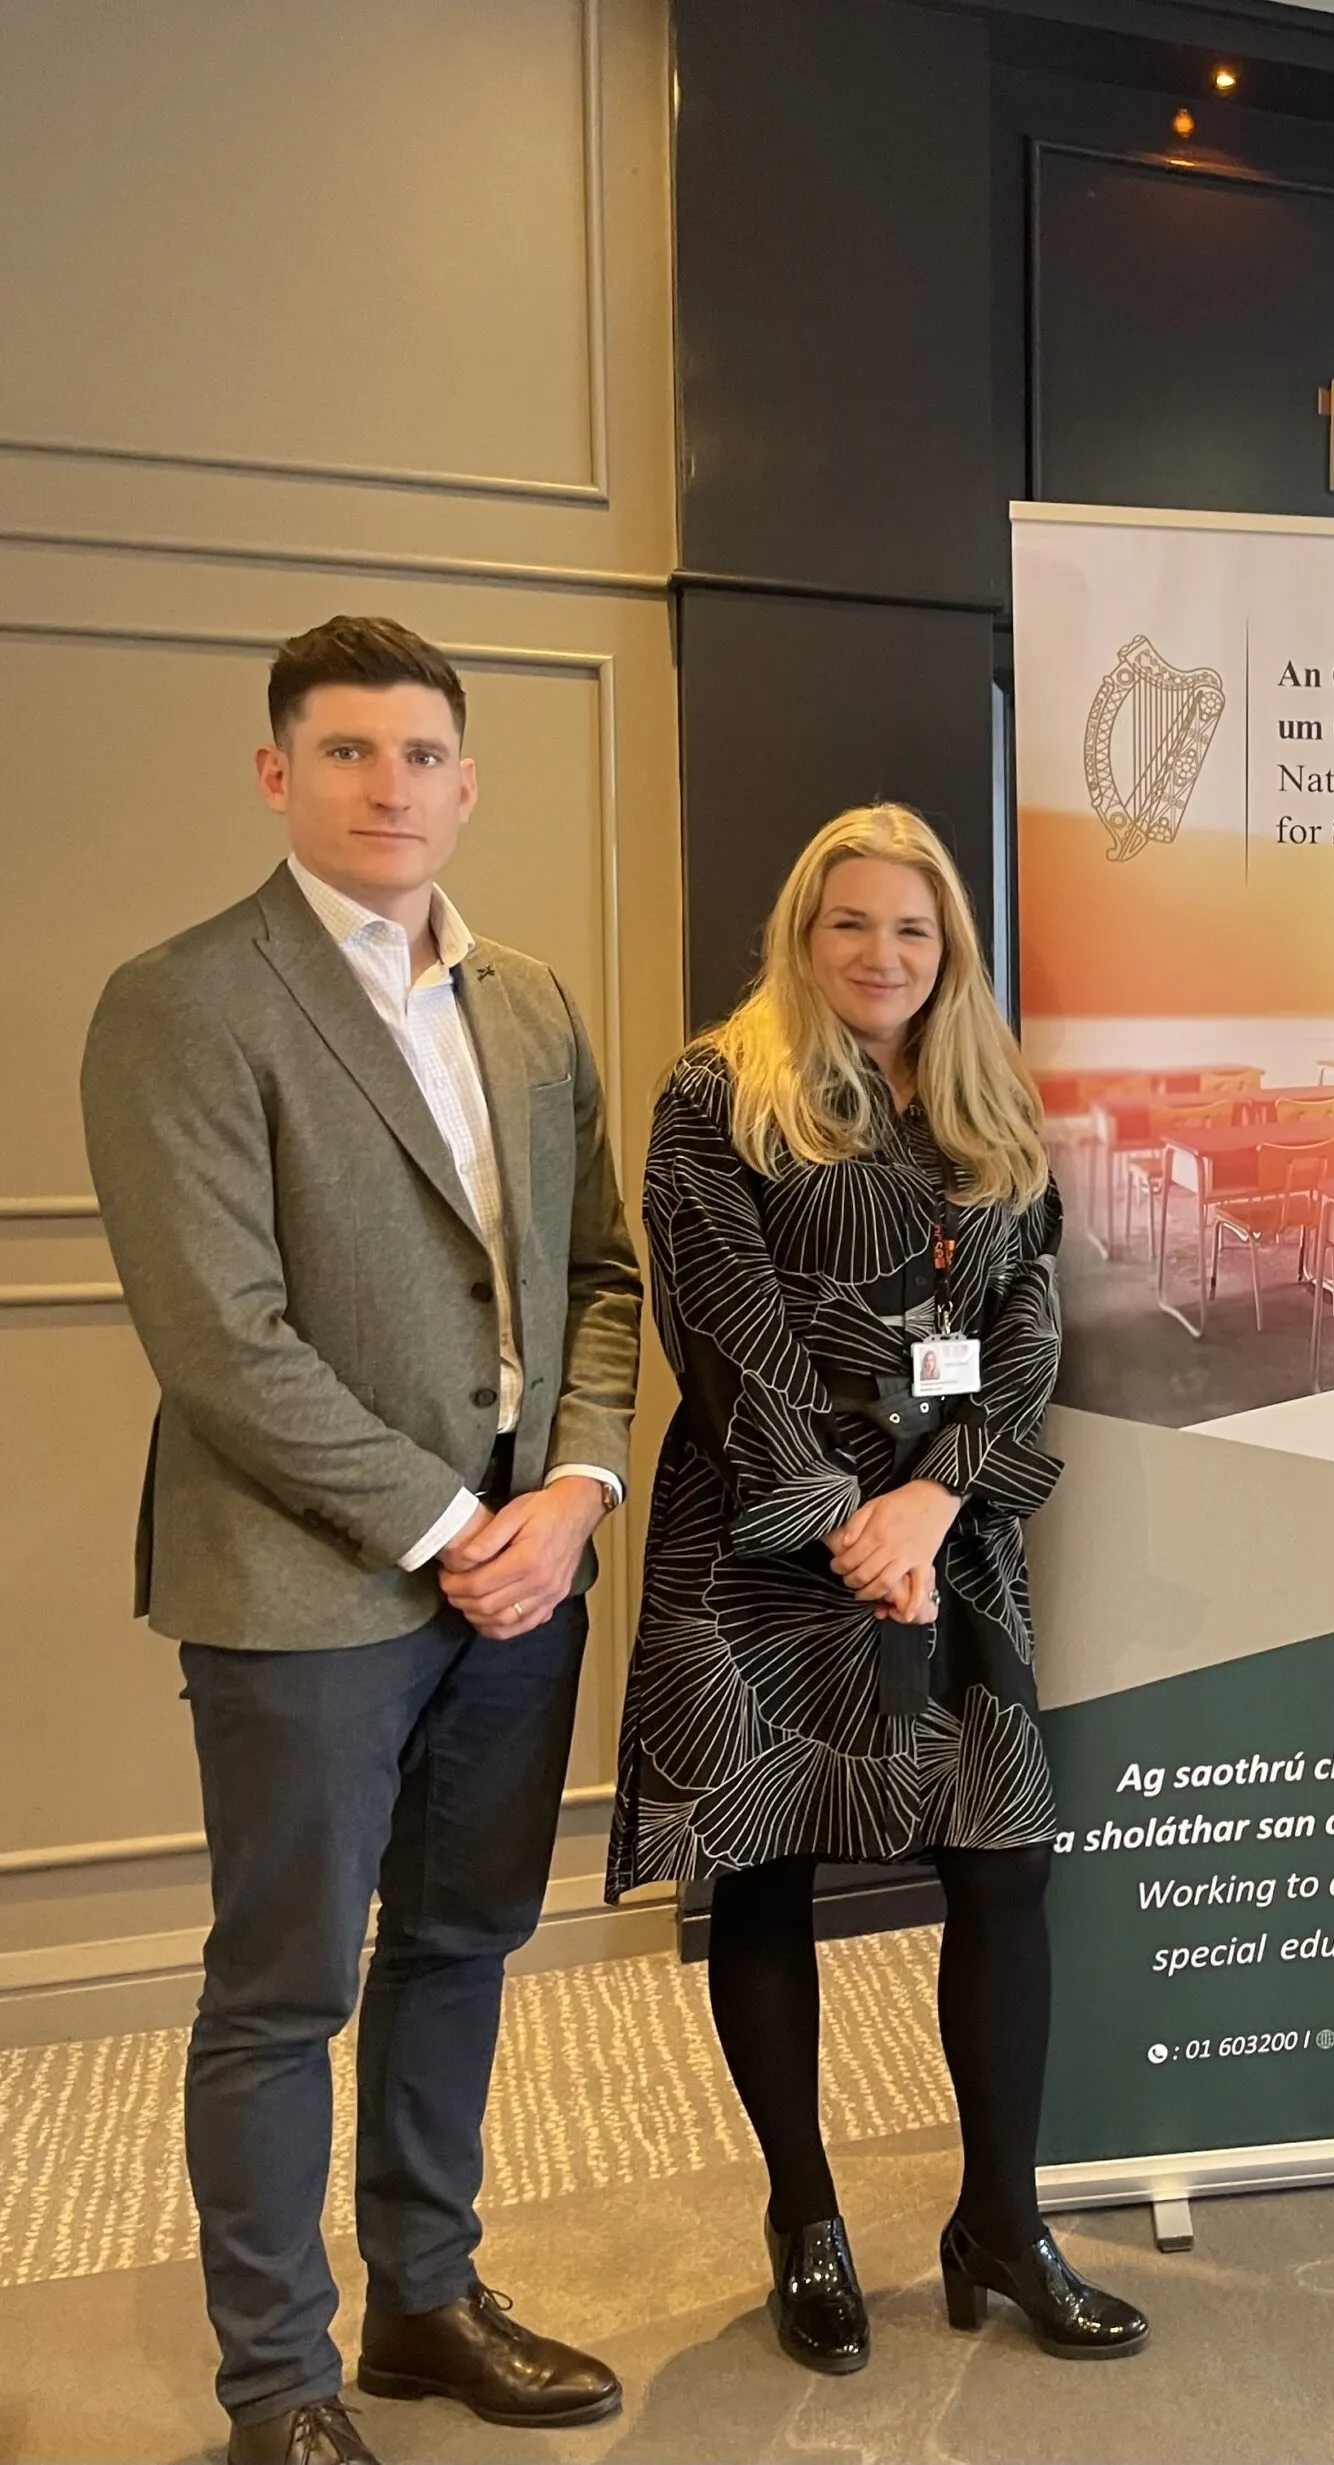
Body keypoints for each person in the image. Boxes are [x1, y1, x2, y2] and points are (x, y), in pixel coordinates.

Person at [80, 616, 642, 2465]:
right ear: (276, 774)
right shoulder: (184, 999)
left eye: (420, 757)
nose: (388, 787)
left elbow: (599, 1283)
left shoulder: (537, 1003)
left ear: (468, 785)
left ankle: (423, 2301)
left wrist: (568, 1498)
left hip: (525, 1576)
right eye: (346, 753)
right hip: (308, 1581)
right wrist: (456, 1520)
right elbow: (220, 1338)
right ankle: (280, 2387)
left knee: (464, 1943)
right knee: (282, 1989)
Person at [607, 804, 1147, 2372]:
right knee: (768, 1872)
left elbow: (1034, 1319)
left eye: (915, 930)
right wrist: (846, 1520)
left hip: (951, 1534)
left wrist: (932, 1498)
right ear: (802, 931)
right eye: (853, 924)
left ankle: (1002, 2218)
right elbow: (719, 1317)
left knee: (1005, 1867)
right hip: (766, 1541)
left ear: (949, 949)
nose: (884, 955)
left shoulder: (988, 1095)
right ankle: (807, 2220)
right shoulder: (722, 1089)